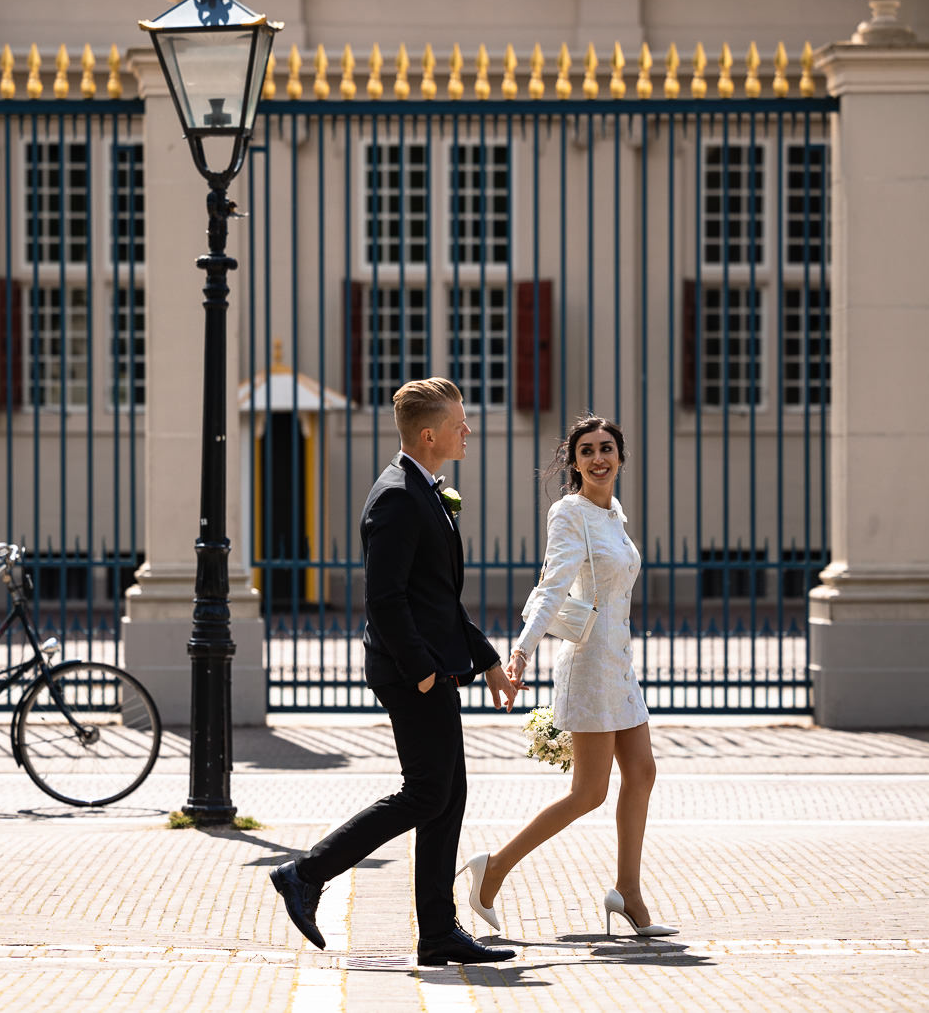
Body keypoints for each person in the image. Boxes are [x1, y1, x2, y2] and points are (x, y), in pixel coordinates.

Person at [270, 377, 520, 966]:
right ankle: (305, 873)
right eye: (460, 421)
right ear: (430, 433)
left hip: (431, 667)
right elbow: (384, 598)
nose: (468, 429)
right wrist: (425, 674)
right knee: (427, 792)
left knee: (447, 796)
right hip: (413, 674)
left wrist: (486, 662)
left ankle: (437, 932)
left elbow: (436, 600)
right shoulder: (398, 497)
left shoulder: (425, 490)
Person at [462, 415, 679, 938]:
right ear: (575, 462)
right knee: (589, 793)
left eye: (607, 448)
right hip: (588, 665)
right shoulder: (570, 513)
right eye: (587, 451)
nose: (599, 458)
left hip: (619, 664)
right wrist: (521, 651)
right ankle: (492, 869)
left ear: (621, 458)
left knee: (643, 773)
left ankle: (628, 893)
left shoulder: (615, 516)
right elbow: (552, 587)